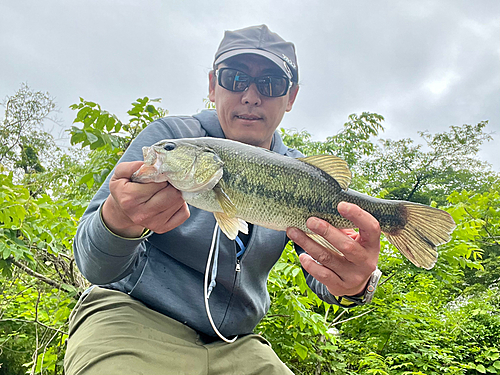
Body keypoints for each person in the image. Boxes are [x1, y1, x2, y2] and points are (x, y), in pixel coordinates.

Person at [64, 25, 381, 375]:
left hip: (236, 343)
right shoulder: (173, 139)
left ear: (290, 98)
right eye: (235, 78)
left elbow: (322, 274)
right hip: (132, 317)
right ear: (213, 86)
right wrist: (118, 222)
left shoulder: (302, 175)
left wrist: (355, 285)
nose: (250, 96)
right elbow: (94, 268)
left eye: (271, 83)